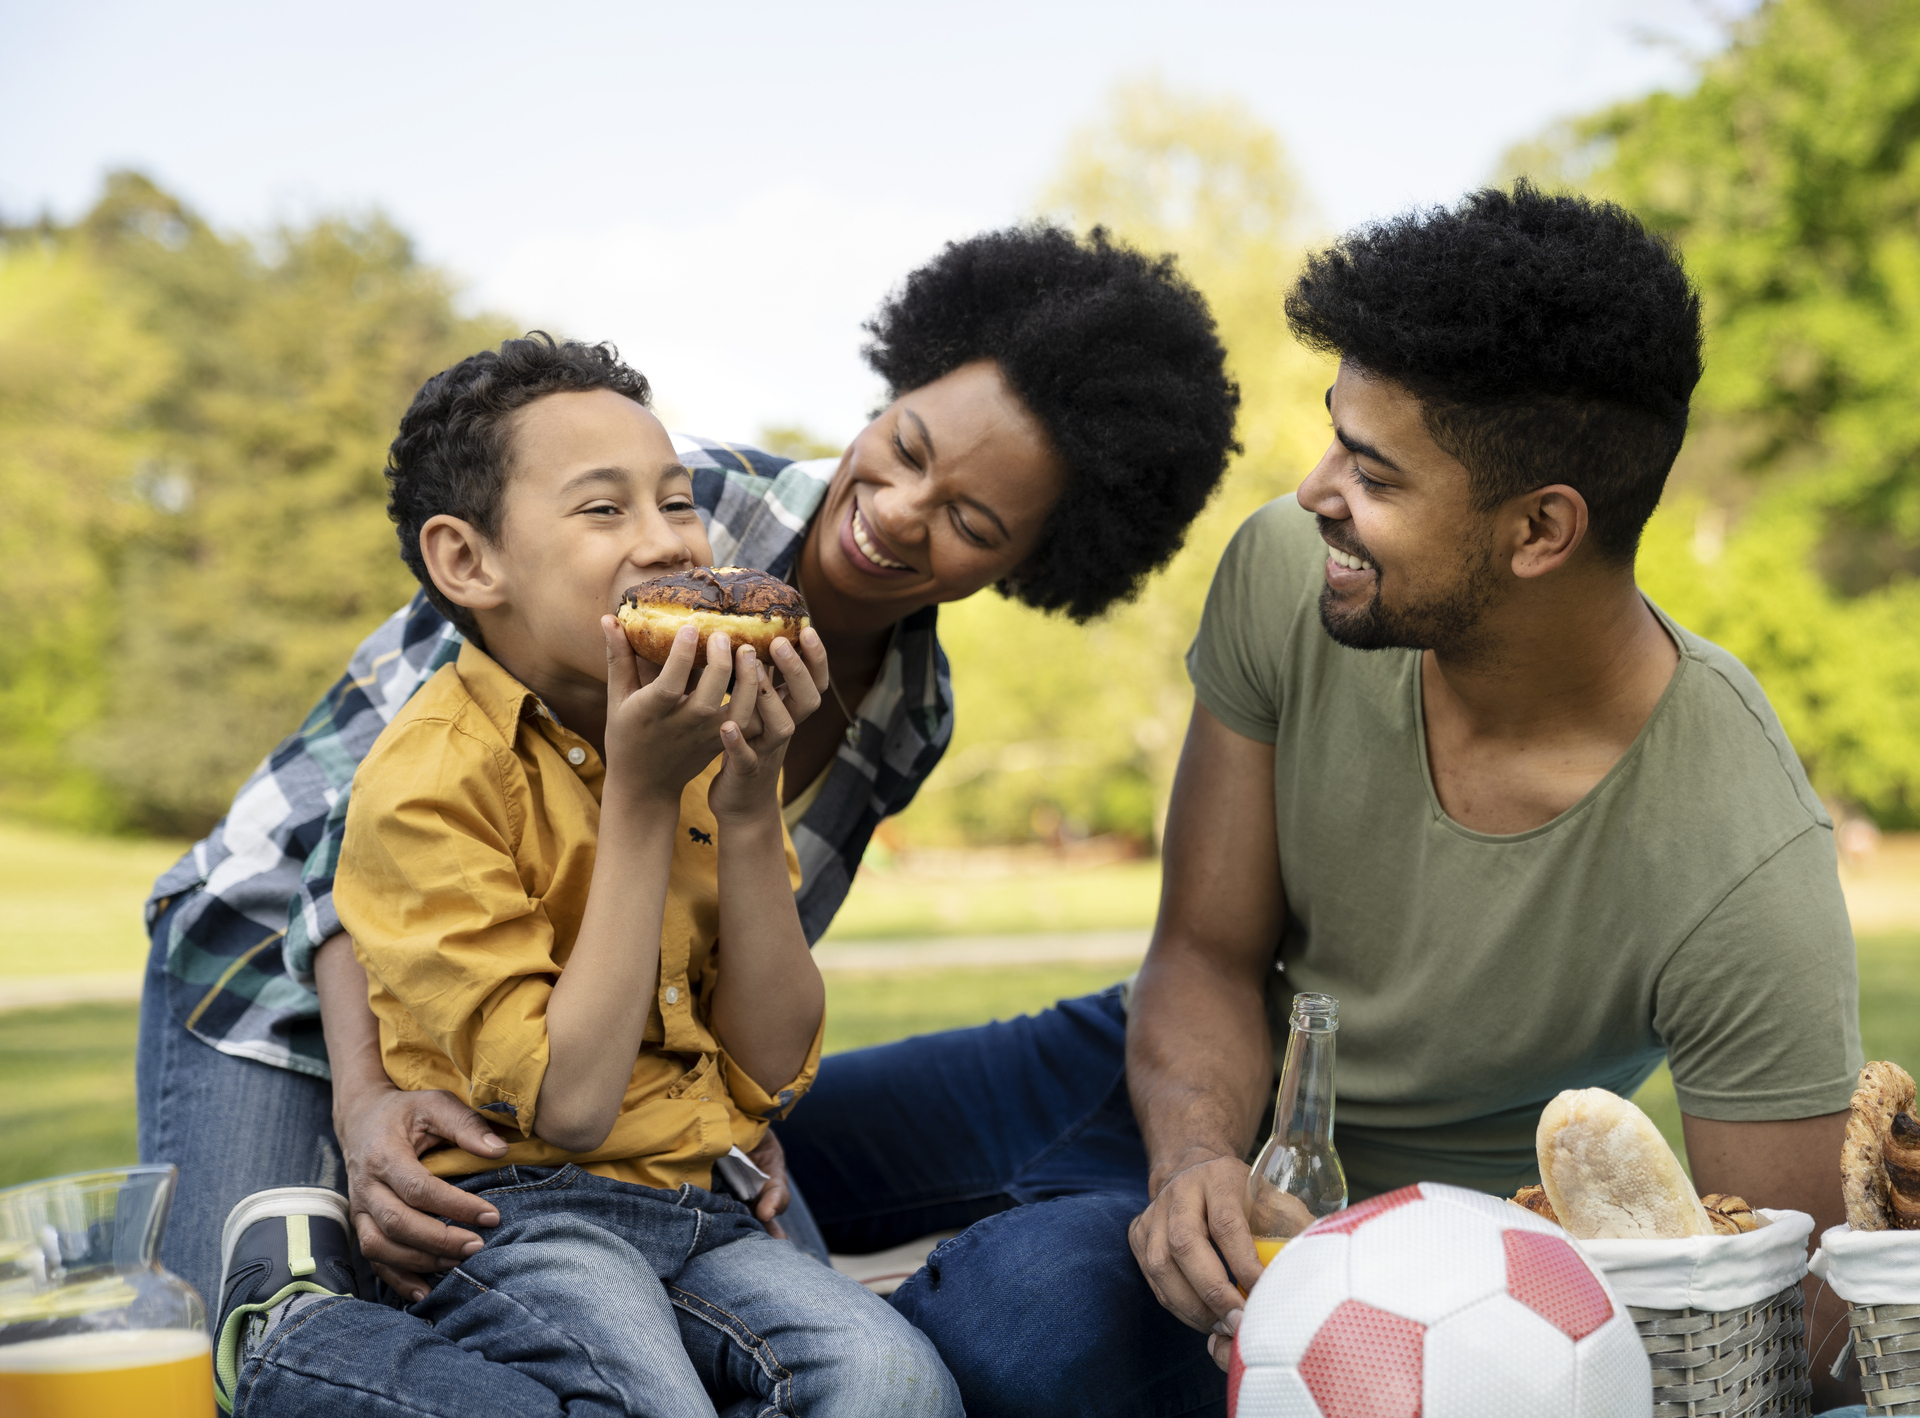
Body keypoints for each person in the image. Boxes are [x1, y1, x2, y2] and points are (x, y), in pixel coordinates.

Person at [769, 183, 1863, 1416]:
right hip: (1172, 1064)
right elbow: (1202, 948)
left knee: (1025, 1321)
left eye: (1373, 472)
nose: (1310, 489)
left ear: (1540, 529)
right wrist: (1192, 1156)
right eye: (1335, 433)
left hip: (1398, 1231)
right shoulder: (1289, 574)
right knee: (719, 1136)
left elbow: (1780, 1313)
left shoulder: (1736, 851)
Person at [137, 222, 1241, 1308]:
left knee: (830, 1342)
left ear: (1028, 561)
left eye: (969, 518)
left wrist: (736, 1116)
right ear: (888, 395)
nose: (897, 512)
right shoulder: (675, 515)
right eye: (905, 447)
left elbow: (728, 932)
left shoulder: (910, 711)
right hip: (273, 962)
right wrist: (369, 1099)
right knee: (254, 1329)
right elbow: (350, 829)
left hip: (554, 1045)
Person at [212, 334, 969, 1415]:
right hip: (510, 1210)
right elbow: (565, 1104)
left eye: (677, 501)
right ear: (469, 562)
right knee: (647, 1400)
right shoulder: (430, 777)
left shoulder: (692, 733)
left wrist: (748, 802)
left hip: (696, 1202)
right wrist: (646, 798)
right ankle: (309, 1346)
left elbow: (769, 1071)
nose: (665, 541)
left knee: (896, 1380)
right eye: (603, 510)